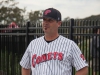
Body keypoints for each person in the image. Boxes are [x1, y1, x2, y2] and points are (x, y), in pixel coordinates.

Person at [20, 8, 88, 75]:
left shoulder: (70, 45)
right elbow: (25, 66)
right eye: (44, 20)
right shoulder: (33, 44)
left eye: (50, 20)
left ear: (59, 23)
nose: (46, 23)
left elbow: (83, 69)